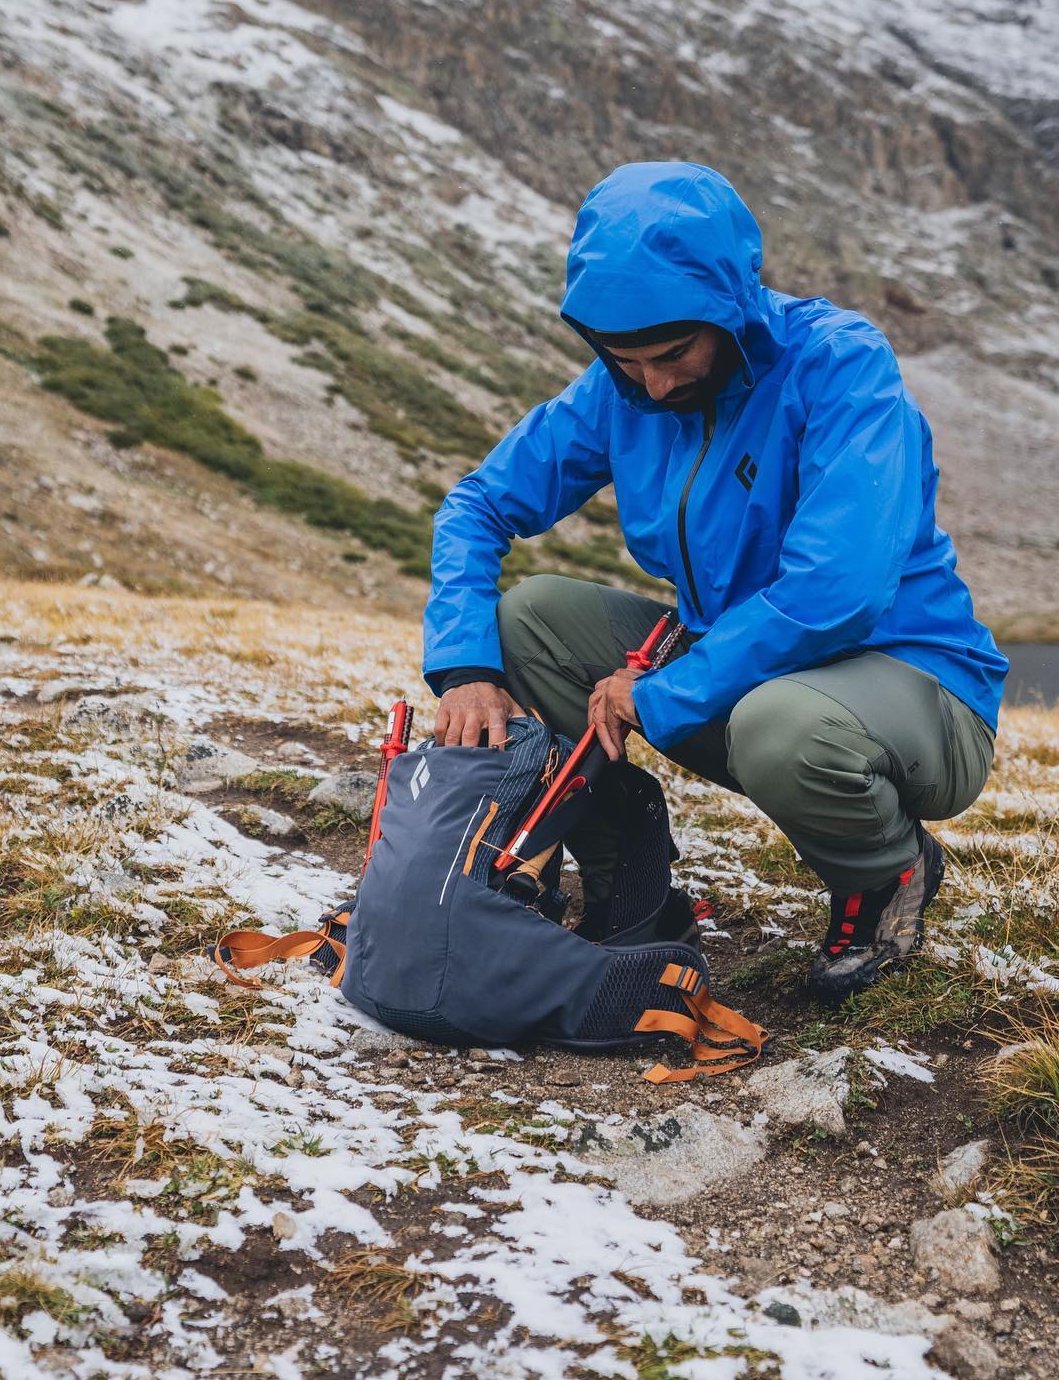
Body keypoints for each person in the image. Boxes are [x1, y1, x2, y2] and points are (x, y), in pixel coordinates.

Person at [423, 160, 1006, 999]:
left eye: (673, 353)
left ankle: (888, 873)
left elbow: (837, 592)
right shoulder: (618, 391)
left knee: (782, 724)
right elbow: (478, 505)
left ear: (729, 308)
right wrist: (466, 668)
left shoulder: (839, 368)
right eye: (628, 360)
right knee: (529, 623)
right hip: (749, 667)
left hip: (915, 686)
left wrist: (661, 692)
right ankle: (629, 876)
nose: (654, 384)